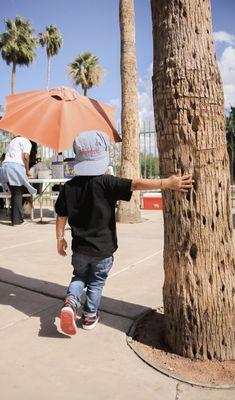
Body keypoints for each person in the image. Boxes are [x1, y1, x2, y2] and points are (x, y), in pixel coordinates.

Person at [55, 131, 193, 336]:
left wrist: (60, 238)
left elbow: (61, 214)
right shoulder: (107, 182)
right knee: (96, 282)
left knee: (79, 276)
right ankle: (89, 315)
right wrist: (168, 183)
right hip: (103, 250)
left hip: (80, 250)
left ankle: (70, 303)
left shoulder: (68, 187)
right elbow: (135, 184)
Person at [0, 136, 37, 225]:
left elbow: (3, 157)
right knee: (17, 193)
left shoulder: (12, 141)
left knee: (15, 193)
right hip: (15, 167)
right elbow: (26, 156)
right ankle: (17, 221)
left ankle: (17, 218)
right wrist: (27, 171)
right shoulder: (26, 141)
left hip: (4, 167)